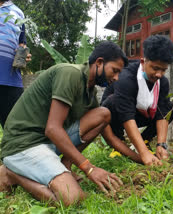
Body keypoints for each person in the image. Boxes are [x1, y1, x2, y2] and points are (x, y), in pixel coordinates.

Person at [0, 41, 128, 206]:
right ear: (99, 62)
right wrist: (89, 168)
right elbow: (53, 129)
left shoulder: (90, 91)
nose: (116, 78)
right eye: (115, 70)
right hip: (23, 144)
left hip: (46, 143)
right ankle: (13, 174)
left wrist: (144, 157)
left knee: (103, 114)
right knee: (72, 198)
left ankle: (64, 166)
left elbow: (110, 137)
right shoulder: (69, 73)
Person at [100, 35, 173, 166]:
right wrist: (143, 154)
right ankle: (119, 144)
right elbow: (126, 115)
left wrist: (161, 144)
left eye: (163, 70)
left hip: (140, 114)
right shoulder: (126, 78)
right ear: (143, 62)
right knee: (112, 102)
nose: (159, 74)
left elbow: (162, 112)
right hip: (115, 115)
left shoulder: (162, 82)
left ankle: (144, 140)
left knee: (170, 108)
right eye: (155, 68)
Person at [0, 0, 32, 128]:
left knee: (14, 129)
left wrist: (24, 55)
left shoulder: (18, 13)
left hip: (11, 80)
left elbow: (21, 44)